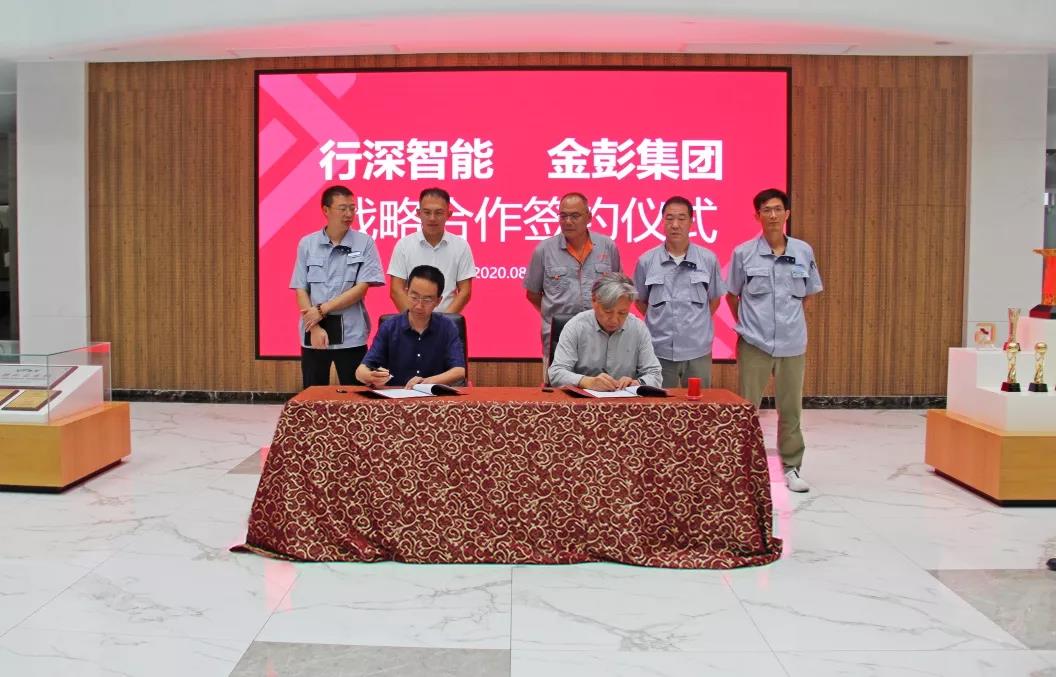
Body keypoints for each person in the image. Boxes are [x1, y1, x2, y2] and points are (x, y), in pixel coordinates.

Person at [726, 188, 823, 492]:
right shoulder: (743, 253)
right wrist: (748, 325)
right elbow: (732, 295)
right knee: (748, 409)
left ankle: (791, 468)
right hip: (754, 343)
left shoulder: (803, 251)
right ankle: (744, 469)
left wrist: (788, 323)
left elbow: (808, 295)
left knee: (790, 409)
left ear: (787, 214)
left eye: (778, 209)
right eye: (766, 210)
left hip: (792, 344)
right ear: (757, 216)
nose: (772, 215)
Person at [291, 185, 384, 388]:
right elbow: (301, 288)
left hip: (351, 334)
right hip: (314, 333)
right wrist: (314, 326)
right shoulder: (307, 244)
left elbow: (361, 288)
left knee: (357, 395)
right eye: (342, 208)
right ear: (326, 210)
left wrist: (321, 310)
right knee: (314, 396)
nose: (349, 214)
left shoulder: (364, 243)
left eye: (352, 208)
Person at [633, 195, 726, 388]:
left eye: (682, 218)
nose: (675, 225)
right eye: (669, 218)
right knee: (660, 403)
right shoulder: (646, 261)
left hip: (698, 350)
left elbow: (714, 300)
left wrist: (694, 323)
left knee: (699, 404)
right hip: (659, 350)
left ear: (691, 222)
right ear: (662, 221)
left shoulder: (708, 259)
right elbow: (640, 301)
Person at [524, 192, 622, 366]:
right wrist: (553, 313)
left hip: (600, 336)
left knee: (601, 382)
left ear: (589, 217)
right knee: (557, 383)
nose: (568, 221)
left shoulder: (607, 247)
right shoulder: (543, 250)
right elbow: (532, 294)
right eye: (563, 216)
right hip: (558, 338)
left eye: (575, 216)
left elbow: (617, 290)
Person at [356, 265, 466, 388]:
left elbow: (459, 371)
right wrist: (370, 376)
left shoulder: (447, 327)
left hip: (434, 396)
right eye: (414, 297)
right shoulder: (390, 327)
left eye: (427, 300)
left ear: (438, 301)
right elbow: (360, 372)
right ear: (407, 292)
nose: (419, 305)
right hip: (396, 397)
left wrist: (426, 382)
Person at [547, 272, 662, 390]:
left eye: (622, 313)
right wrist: (586, 381)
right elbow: (556, 374)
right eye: (608, 312)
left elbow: (655, 375)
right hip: (583, 398)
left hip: (625, 398)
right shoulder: (575, 326)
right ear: (594, 301)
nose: (614, 320)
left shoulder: (638, 328)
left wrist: (636, 383)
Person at [388, 187, 475, 314]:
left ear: (449, 214)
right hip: (412, 320)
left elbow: (465, 291)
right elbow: (396, 290)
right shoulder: (404, 245)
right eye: (427, 212)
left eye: (438, 213)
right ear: (418, 213)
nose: (432, 218)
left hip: (447, 321)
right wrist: (414, 319)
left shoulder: (461, 246)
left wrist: (444, 322)